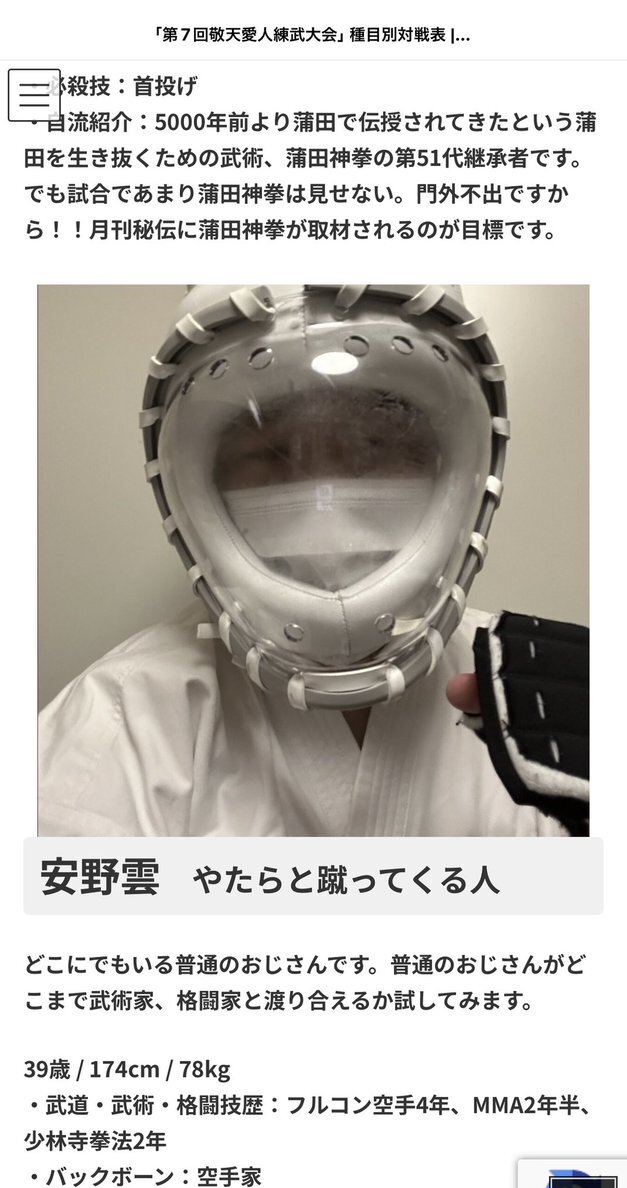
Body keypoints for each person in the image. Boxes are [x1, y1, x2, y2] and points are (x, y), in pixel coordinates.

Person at [38, 284, 582, 838]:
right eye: (268, 453)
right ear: (206, 485)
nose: (327, 498)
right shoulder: (118, 726)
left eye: (377, 443)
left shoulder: (551, 701)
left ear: (449, 465)